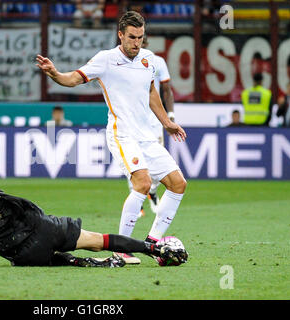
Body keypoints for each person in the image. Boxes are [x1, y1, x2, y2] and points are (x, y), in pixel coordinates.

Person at [36, 11, 188, 265]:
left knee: (178, 184)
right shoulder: (106, 60)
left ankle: (152, 243)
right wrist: (55, 74)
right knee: (142, 182)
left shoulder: (149, 59)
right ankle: (122, 249)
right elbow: (73, 79)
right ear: (120, 34)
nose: (136, 42)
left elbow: (151, 91)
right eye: (131, 37)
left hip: (147, 136)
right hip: (122, 134)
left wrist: (167, 122)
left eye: (140, 37)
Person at [0, 148, 187, 268]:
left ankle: (88, 264)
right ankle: (155, 249)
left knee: (49, 259)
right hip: (41, 227)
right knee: (96, 240)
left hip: (19, 253)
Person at [129, 34, 176, 220]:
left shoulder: (157, 62)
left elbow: (166, 90)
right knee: (133, 159)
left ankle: (153, 191)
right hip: (133, 119)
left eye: (142, 41)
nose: (139, 44)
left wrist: (170, 115)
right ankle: (138, 199)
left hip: (154, 119)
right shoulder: (124, 63)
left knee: (157, 160)